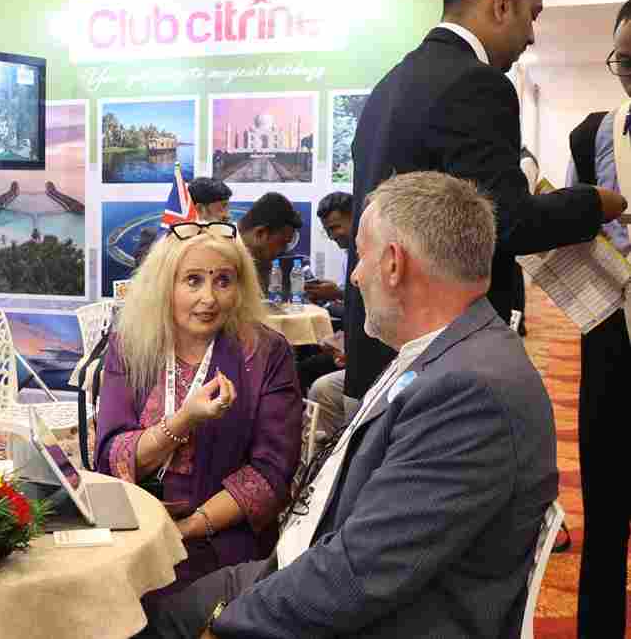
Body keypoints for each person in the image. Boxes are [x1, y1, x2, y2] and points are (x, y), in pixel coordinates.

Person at [138, 171, 559, 639]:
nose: (355, 276)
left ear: (393, 264)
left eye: (361, 256)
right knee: (150, 615)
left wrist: (225, 624)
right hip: (315, 567)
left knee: (152, 623)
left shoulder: (470, 390)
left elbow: (358, 575)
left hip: (376, 618)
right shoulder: (451, 353)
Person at [343, 0, 628, 408]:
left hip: (380, 354)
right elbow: (505, 221)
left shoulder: (389, 85)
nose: (531, 35)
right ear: (502, 4)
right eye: (532, 15)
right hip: (441, 361)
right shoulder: (478, 84)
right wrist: (593, 202)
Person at [95, 220, 300, 596]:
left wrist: (186, 529)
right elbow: (111, 454)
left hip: (223, 538)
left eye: (223, 281)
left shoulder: (266, 352)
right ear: (165, 285)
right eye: (193, 281)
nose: (209, 298)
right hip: (135, 526)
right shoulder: (131, 345)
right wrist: (183, 420)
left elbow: (271, 472)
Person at [565, 0, 631, 638]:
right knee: (606, 511)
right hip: (610, 339)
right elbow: (569, 235)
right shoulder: (591, 137)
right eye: (624, 61)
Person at [297, 192, 358, 439]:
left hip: (366, 353)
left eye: (335, 227)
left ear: (355, 217)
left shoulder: (365, 252)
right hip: (352, 343)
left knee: (306, 371)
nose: (333, 236)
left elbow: (365, 304)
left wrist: (338, 294)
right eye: (328, 231)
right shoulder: (349, 256)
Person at [237, 193, 302, 293]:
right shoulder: (222, 257)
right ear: (260, 233)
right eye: (283, 243)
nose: (283, 251)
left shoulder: (255, 260)